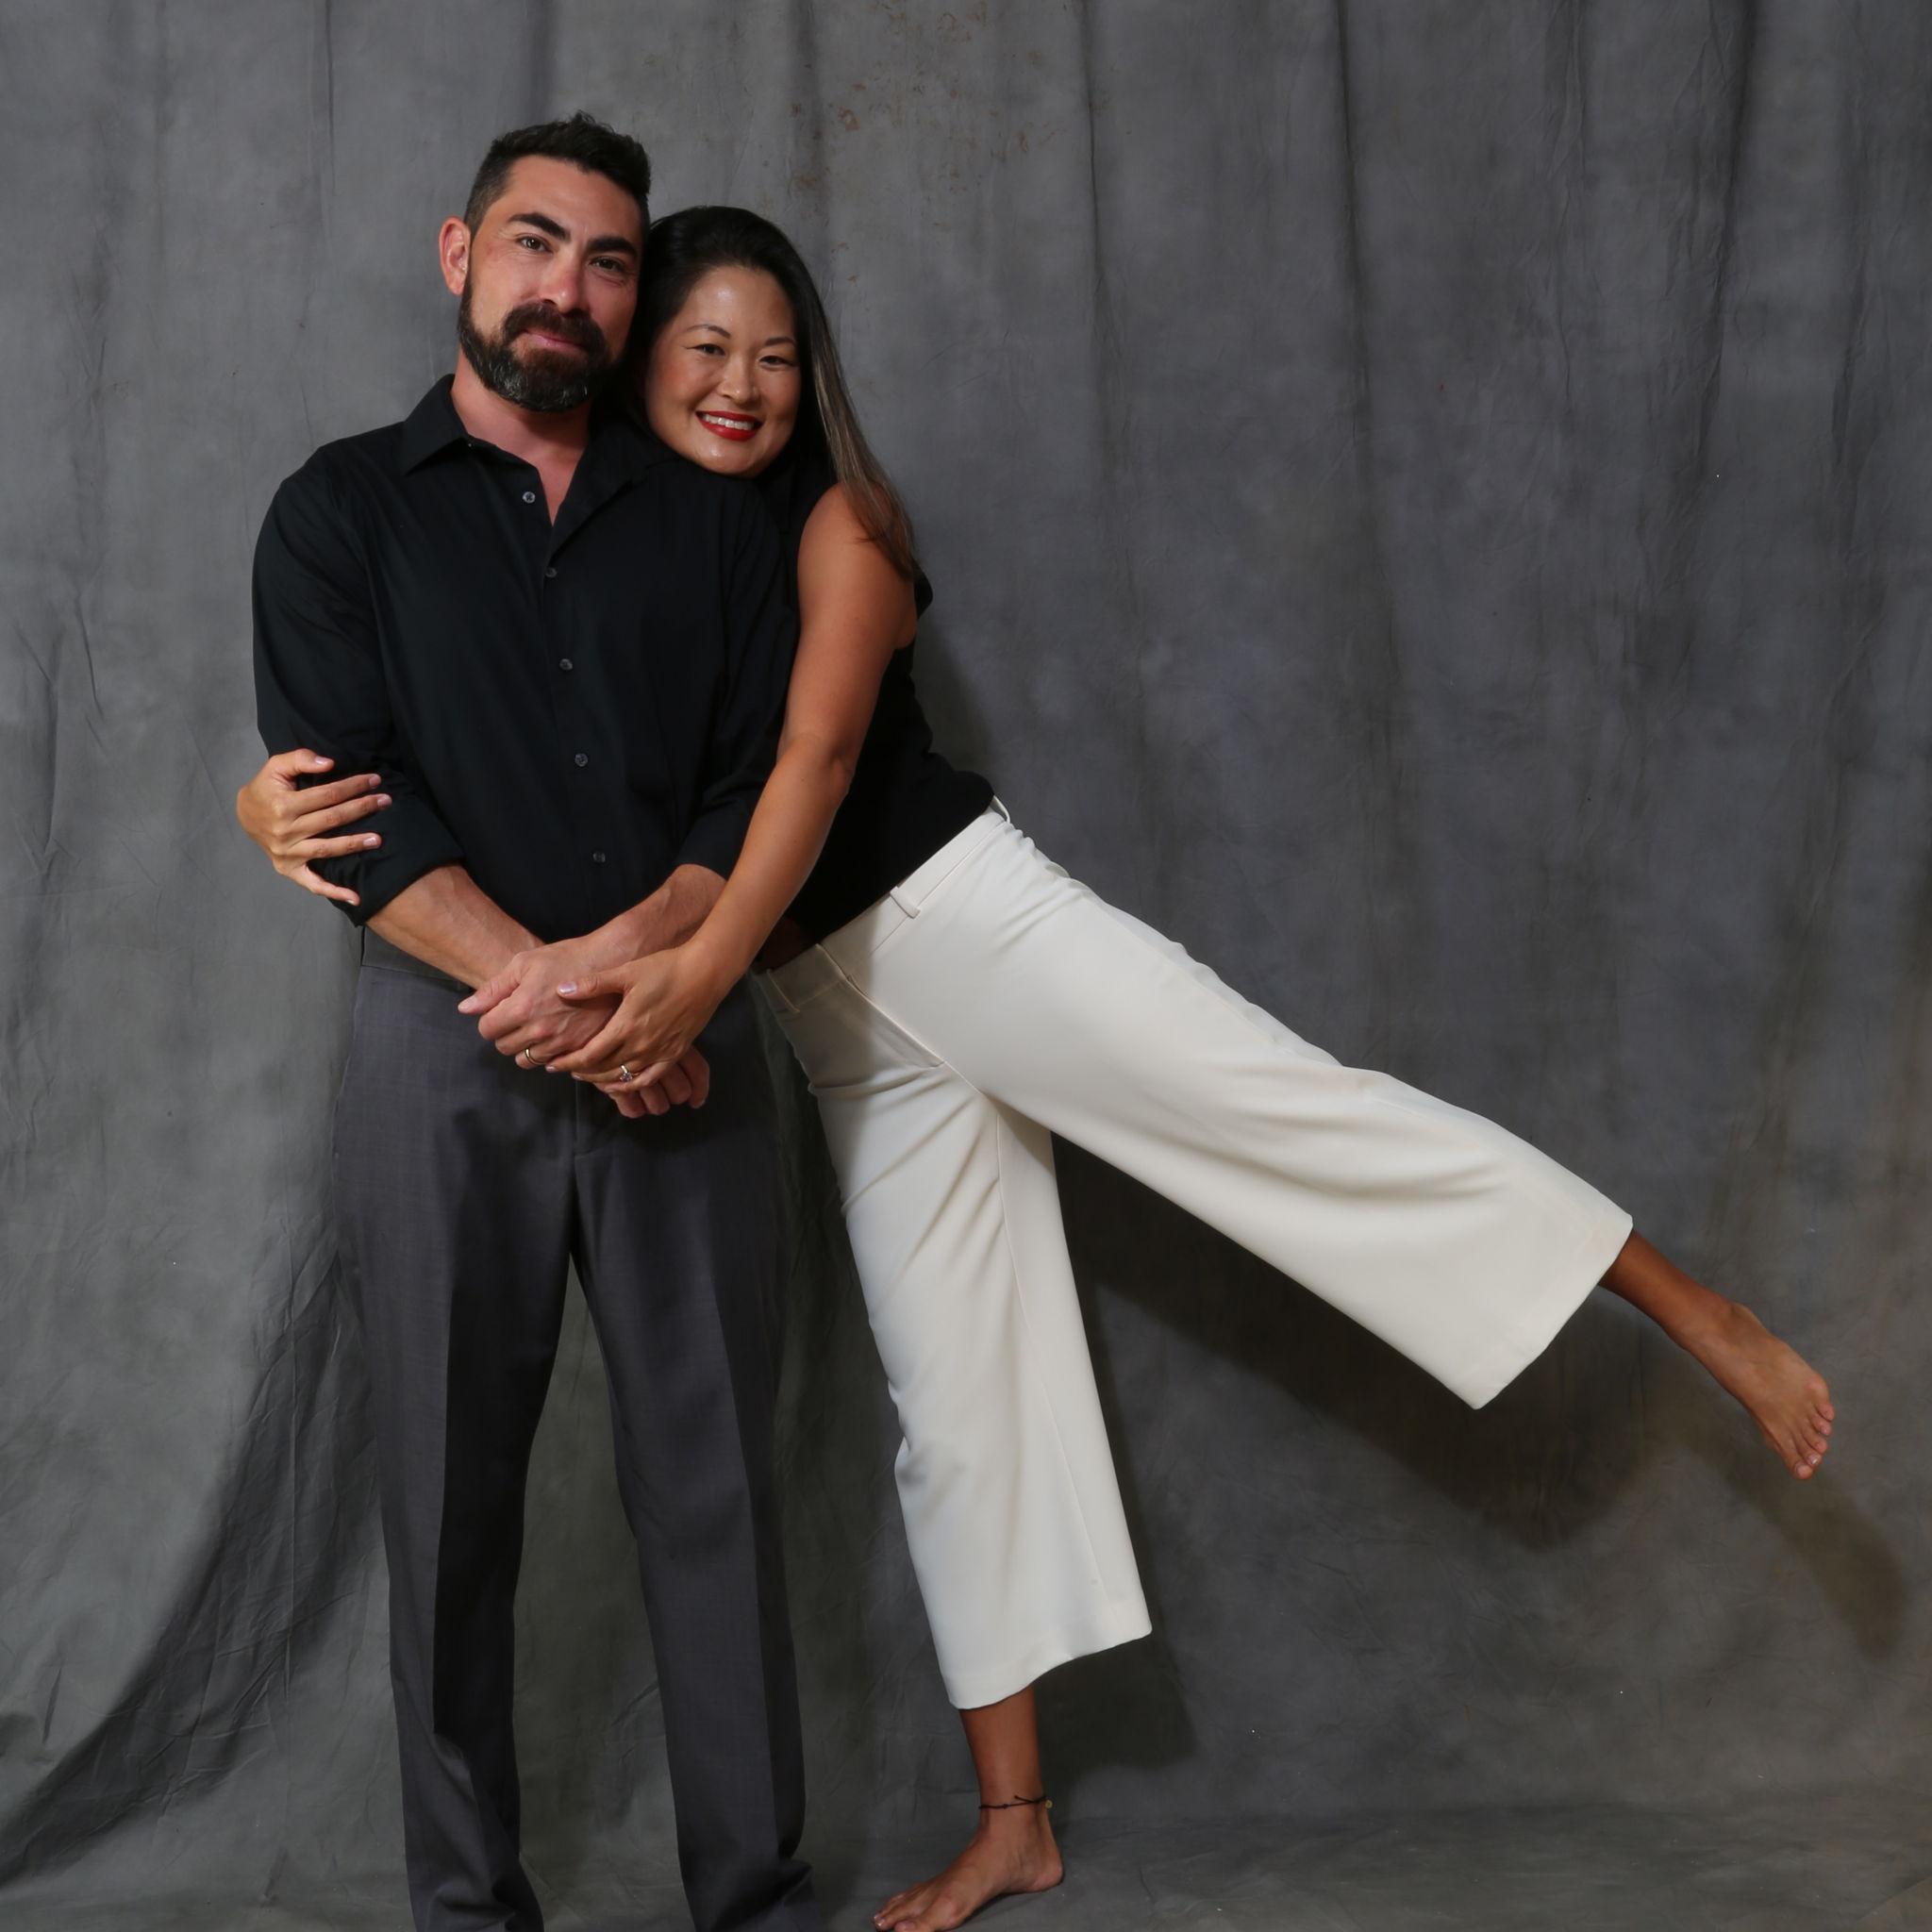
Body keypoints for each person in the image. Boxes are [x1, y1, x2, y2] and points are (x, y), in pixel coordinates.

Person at [241, 205, 1838, 1932]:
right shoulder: (630, 540)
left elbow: (812, 769)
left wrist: (683, 980)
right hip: (835, 1015)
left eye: (774, 357)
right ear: (637, 361)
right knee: (964, 1397)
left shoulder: (839, 523)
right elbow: (504, 750)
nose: (739, 387)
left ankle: (1693, 1310)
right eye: (702, 350)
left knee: (1284, 1114)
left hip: (964, 928)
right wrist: (270, 801)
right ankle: (1017, 1821)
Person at [247, 137, 817, 1932]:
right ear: (459, 253)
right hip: (442, 1063)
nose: (566, 287)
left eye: (609, 261)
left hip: (690, 1039)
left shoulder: (718, 527)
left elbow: (750, 797)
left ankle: (755, 1900)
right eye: (533, 244)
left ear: (634, 296)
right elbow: (349, 814)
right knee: (443, 1510)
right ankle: (467, 1911)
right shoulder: (339, 510)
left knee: (718, 1495)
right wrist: (577, 1013)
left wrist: (645, 983)